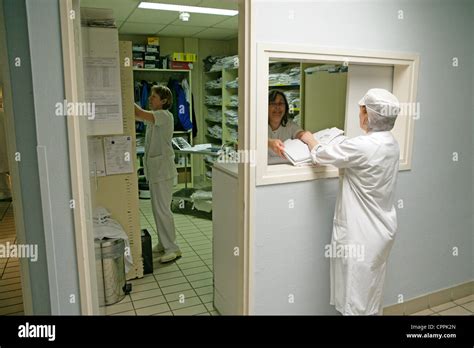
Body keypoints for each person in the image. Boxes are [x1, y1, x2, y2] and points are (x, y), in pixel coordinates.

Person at [300, 88, 401, 315]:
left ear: (368, 115)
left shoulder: (362, 146)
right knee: (371, 294)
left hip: (361, 234)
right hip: (382, 231)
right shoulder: (391, 143)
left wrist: (310, 139)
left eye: (361, 110)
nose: (359, 115)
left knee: (355, 299)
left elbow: (321, 154)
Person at [134, 85, 181, 263]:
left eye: (154, 97)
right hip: (155, 171)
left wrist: (122, 92)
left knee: (163, 210)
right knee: (157, 210)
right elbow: (138, 114)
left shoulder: (164, 115)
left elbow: (138, 112)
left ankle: (173, 248)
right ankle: (163, 242)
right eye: (151, 96)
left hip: (163, 171)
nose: (150, 99)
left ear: (164, 101)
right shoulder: (155, 117)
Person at [267, 90, 306, 160]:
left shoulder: (290, 126)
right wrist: (269, 142)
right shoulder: (259, 126)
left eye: (281, 103)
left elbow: (302, 134)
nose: (277, 107)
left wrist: (315, 146)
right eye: (273, 103)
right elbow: (252, 139)